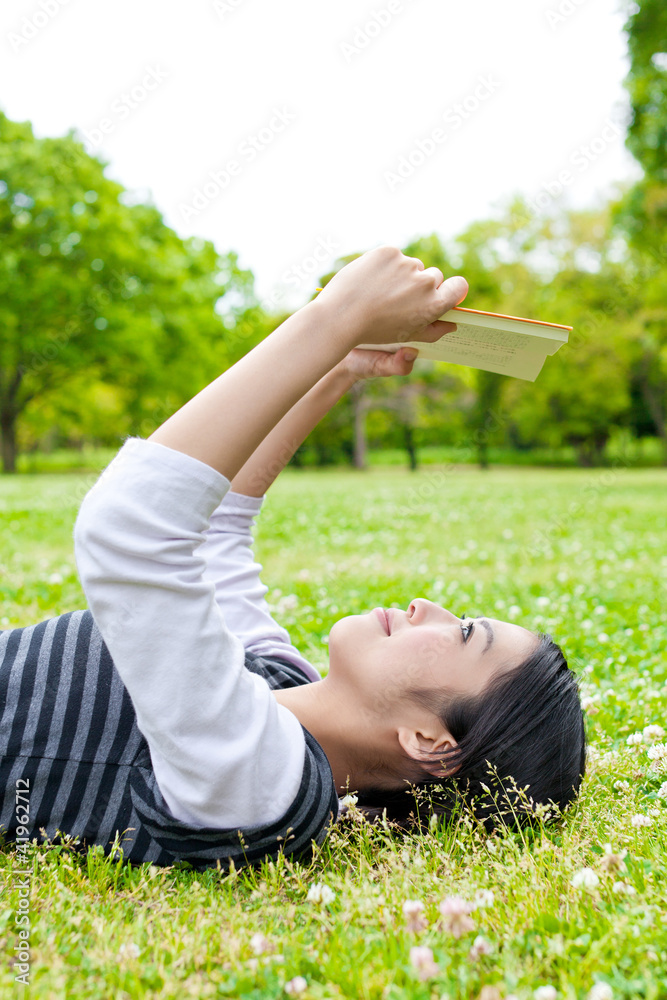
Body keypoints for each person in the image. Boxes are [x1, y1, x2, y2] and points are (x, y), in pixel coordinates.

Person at [0, 247, 585, 871]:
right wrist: (341, 368)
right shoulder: (283, 684)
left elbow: (130, 530)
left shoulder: (262, 787)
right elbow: (220, 527)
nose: (429, 607)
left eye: (465, 633)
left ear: (430, 744)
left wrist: (336, 314)